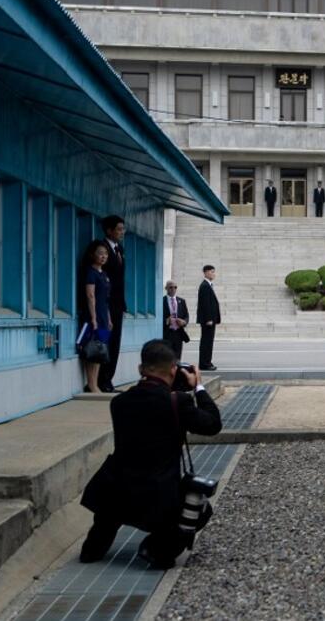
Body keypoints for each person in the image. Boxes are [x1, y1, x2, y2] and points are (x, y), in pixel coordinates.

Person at [79, 340, 222, 569]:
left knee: (101, 529)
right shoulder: (177, 402)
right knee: (200, 509)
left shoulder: (119, 403)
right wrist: (199, 388)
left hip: (116, 490)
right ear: (174, 370)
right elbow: (213, 425)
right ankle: (157, 548)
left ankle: (93, 549)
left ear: (140, 369)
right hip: (159, 496)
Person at [77, 241, 113, 393]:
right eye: (100, 253)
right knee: (90, 348)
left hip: (104, 316)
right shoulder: (90, 273)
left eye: (105, 254)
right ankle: (90, 383)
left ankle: (95, 383)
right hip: (93, 317)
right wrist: (93, 318)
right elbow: (90, 295)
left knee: (100, 350)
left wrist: (109, 318)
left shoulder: (104, 274)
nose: (103, 256)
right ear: (93, 254)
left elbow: (105, 299)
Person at [97, 215, 127, 392]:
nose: (122, 232)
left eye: (123, 229)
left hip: (118, 303)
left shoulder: (119, 249)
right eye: (119, 229)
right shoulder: (103, 249)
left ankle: (108, 379)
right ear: (109, 230)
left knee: (115, 342)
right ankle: (102, 380)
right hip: (106, 305)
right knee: (105, 341)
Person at [196, 265, 221, 371]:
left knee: (208, 341)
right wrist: (209, 319)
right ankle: (205, 363)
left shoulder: (208, 285)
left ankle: (206, 362)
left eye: (214, 272)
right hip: (208, 321)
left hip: (210, 320)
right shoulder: (205, 286)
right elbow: (205, 304)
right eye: (211, 272)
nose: (213, 274)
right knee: (207, 341)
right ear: (206, 273)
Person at [162, 281, 190, 360]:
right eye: (171, 287)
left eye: (175, 287)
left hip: (178, 332)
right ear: (166, 288)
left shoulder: (181, 301)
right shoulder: (161, 301)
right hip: (167, 333)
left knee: (178, 356)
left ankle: (177, 371)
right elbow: (158, 317)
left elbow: (186, 315)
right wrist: (166, 321)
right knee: (167, 356)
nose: (173, 289)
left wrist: (184, 322)